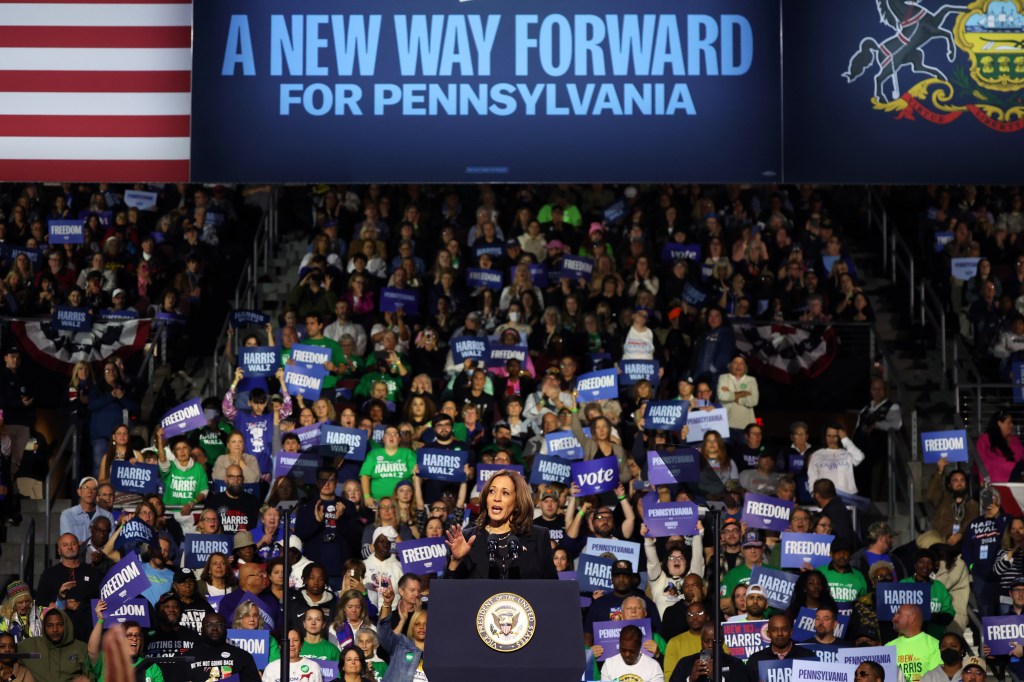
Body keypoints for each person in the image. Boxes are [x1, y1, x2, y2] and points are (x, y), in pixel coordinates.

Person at [444, 469, 556, 579]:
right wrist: (455, 562)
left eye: (505, 493)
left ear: (518, 502)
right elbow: (447, 593)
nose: (496, 498)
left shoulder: (538, 537)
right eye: (492, 491)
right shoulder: (466, 538)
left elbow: (552, 589)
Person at [88, 602, 164, 682]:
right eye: (129, 635)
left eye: (137, 635)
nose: (134, 639)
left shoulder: (151, 667)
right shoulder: (106, 661)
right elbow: (92, 651)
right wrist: (100, 620)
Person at [16, 608, 89, 682]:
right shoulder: (30, 645)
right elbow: (6, 655)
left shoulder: (81, 648)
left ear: (67, 625)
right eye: (50, 625)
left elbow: (91, 677)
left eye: (60, 625)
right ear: (44, 627)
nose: (55, 630)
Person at [187, 612, 260, 682]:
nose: (214, 628)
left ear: (226, 630)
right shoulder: (188, 657)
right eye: (209, 625)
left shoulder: (242, 657)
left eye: (219, 625)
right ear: (201, 630)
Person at [376, 582, 426, 682]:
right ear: (412, 626)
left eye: (426, 624)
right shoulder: (400, 645)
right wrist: (387, 604)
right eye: (417, 624)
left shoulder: (439, 653)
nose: (421, 627)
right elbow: (384, 633)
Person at [745, 614, 816, 682]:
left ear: (791, 632)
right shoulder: (755, 659)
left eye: (784, 629)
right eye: (774, 630)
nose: (779, 634)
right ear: (768, 634)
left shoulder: (808, 657)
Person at [37, 533, 100, 607]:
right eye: (65, 545)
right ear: (59, 550)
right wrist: (63, 605)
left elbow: (101, 599)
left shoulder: (92, 572)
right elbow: (40, 601)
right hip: (60, 617)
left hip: (87, 617)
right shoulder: (49, 574)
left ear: (79, 547)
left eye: (73, 544)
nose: (70, 547)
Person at [925, 461, 978, 546]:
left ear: (966, 484)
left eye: (962, 480)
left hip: (962, 542)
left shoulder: (973, 505)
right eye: (955, 480)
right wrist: (939, 472)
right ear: (949, 485)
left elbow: (972, 525)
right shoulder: (943, 498)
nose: (959, 483)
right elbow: (930, 495)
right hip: (940, 540)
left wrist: (960, 535)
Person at [671, 623, 747, 682]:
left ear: (722, 641)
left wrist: (717, 678)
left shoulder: (735, 664)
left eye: (714, 641)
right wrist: (690, 679)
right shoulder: (685, 663)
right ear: (701, 641)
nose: (710, 645)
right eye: (706, 641)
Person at [887, 605, 940, 682]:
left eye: (898, 614)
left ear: (912, 618)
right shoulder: (889, 646)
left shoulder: (934, 645)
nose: (894, 619)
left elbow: (936, 677)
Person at [806, 424, 865, 495]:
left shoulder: (847, 453)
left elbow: (859, 457)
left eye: (835, 436)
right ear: (825, 436)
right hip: (825, 497)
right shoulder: (817, 454)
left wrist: (845, 439)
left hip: (848, 497)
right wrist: (814, 494)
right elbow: (812, 477)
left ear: (840, 437)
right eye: (829, 436)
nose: (831, 439)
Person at [59, 476, 114, 543]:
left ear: (97, 494)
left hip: (99, 553)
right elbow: (68, 542)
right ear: (79, 492)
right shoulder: (68, 514)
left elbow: (110, 542)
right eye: (86, 487)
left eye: (93, 488)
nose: (89, 491)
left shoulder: (107, 516)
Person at [600, 625, 664, 682]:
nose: (627, 655)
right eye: (623, 650)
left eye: (632, 651)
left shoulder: (653, 667)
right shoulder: (608, 665)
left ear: (639, 647)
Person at [717, 356, 759, 437]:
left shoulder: (751, 380)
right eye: (735, 363)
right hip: (726, 425)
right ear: (730, 365)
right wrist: (742, 393)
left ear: (745, 367)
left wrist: (730, 393)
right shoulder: (723, 378)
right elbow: (722, 396)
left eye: (741, 363)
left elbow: (754, 401)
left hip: (746, 426)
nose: (738, 366)